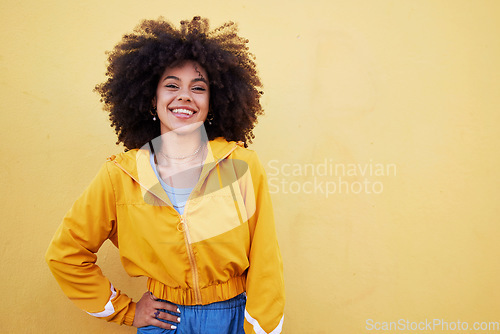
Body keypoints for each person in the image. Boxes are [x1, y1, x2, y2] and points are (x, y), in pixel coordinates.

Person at [45, 16, 285, 334]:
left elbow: (265, 257)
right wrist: (125, 310)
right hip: (165, 322)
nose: (185, 96)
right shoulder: (120, 175)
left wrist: (259, 328)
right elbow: (66, 253)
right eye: (172, 85)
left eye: (198, 88)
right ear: (152, 98)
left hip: (234, 317)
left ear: (213, 102)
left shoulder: (241, 165)